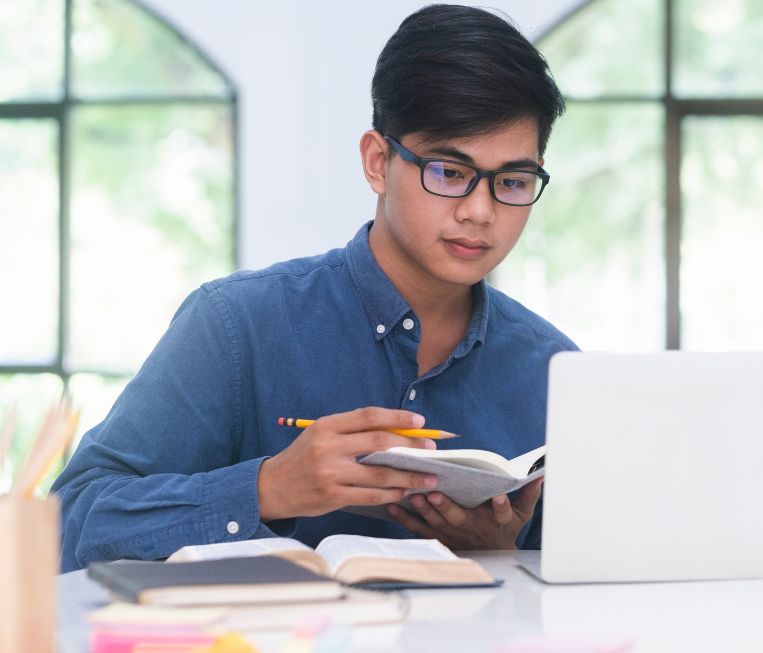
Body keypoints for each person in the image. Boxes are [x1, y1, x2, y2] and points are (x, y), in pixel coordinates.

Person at [53, 4, 574, 572]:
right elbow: (68, 523)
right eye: (449, 172)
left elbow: (598, 589)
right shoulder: (236, 325)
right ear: (377, 162)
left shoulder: (556, 370)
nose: (481, 211)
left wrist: (500, 556)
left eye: (514, 181)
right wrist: (268, 488)